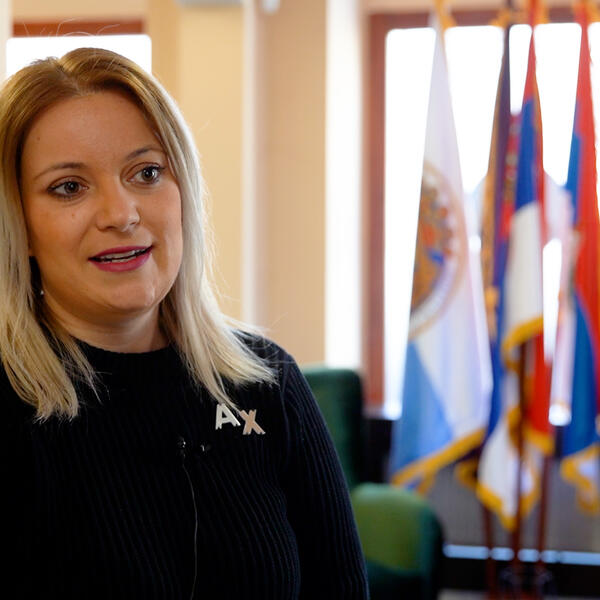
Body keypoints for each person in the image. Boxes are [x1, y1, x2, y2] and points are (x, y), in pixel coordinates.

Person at [0, 48, 369, 599]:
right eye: (69, 187)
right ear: (19, 224)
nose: (121, 213)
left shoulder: (266, 382)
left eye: (146, 173)